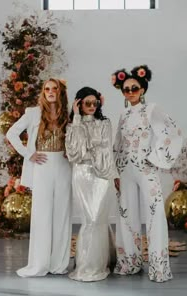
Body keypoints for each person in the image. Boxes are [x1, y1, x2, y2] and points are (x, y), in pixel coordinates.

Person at [111, 65, 183, 282]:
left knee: (155, 215)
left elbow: (172, 132)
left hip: (146, 169)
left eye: (134, 87)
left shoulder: (152, 109)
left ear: (142, 89)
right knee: (126, 215)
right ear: (122, 92)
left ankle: (159, 268)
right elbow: (117, 144)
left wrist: (154, 158)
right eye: (126, 89)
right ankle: (129, 263)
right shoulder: (123, 115)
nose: (130, 92)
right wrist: (116, 171)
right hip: (125, 171)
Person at [6, 78, 72, 277]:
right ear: (43, 92)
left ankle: (59, 264)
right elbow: (11, 133)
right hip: (42, 167)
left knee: (62, 215)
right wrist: (28, 153)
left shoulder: (67, 115)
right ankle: (39, 264)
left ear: (60, 92)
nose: (51, 92)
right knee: (42, 216)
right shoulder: (33, 113)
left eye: (54, 89)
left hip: (63, 166)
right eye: (47, 89)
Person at [65, 87, 115, 282]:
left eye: (95, 103)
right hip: (82, 175)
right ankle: (87, 265)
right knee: (89, 220)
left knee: (98, 219)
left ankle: (98, 265)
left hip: (102, 176)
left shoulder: (105, 123)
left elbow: (105, 150)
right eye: (87, 103)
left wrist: (87, 150)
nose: (92, 106)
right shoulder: (72, 125)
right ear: (79, 104)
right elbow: (74, 154)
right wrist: (76, 119)